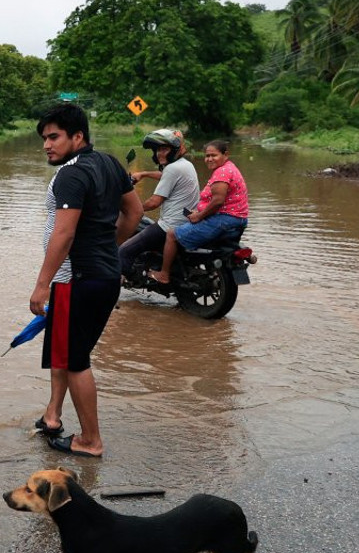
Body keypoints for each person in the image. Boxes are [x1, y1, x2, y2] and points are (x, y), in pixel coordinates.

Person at [29, 104, 142, 458]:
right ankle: (53, 416)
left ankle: (90, 441)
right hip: (106, 275)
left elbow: (63, 234)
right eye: (45, 138)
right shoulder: (109, 163)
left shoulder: (71, 175)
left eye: (54, 137)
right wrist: (109, 247)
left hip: (75, 279)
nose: (47, 145)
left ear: (77, 137)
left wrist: (41, 284)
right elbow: (135, 212)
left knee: (76, 359)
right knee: (65, 350)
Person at [151, 140, 248, 284]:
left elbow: (218, 201)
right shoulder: (230, 167)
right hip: (236, 220)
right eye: (207, 156)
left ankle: (164, 274)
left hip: (223, 220)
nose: (209, 159)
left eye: (213, 155)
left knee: (172, 234)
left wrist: (199, 216)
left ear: (225, 154)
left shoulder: (222, 172)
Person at [118, 128, 200, 276]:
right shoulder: (185, 164)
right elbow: (165, 175)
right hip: (186, 222)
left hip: (169, 225)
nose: (159, 153)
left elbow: (154, 203)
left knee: (123, 251)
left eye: (164, 149)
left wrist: (131, 208)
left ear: (174, 149)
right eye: (157, 150)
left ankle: (123, 282)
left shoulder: (173, 169)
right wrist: (144, 174)